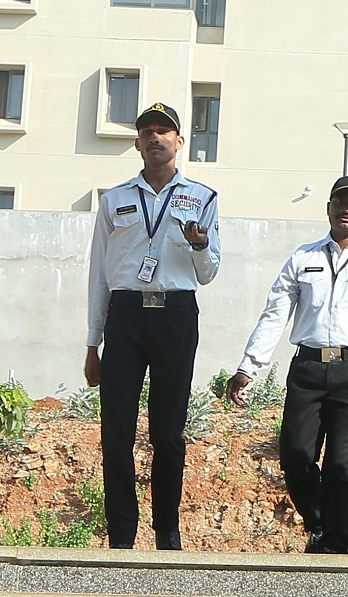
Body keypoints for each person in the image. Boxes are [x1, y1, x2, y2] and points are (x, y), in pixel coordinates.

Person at [227, 173, 348, 554]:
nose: (347, 209)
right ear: (328, 208)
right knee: (294, 455)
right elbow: (274, 315)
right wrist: (249, 366)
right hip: (308, 368)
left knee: (345, 464)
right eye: (340, 202)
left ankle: (333, 549)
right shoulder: (302, 258)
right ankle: (319, 522)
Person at [84, 102, 220, 550]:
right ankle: (121, 534)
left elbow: (208, 271)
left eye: (165, 131)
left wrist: (199, 246)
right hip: (125, 316)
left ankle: (167, 531)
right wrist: (93, 342)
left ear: (180, 141)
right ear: (137, 143)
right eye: (147, 132)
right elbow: (98, 275)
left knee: (168, 432)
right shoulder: (114, 199)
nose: (155, 138)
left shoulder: (202, 198)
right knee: (116, 429)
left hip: (176, 315)